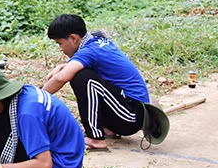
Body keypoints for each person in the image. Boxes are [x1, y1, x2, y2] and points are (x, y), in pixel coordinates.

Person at [42, 14, 149, 150]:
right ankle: (107, 129)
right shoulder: (96, 41)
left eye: (60, 43)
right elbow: (72, 66)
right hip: (128, 109)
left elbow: (60, 78)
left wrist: (35, 97)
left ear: (74, 38)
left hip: (131, 117)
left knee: (82, 78)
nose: (60, 48)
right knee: (81, 74)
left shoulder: (89, 51)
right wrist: (61, 67)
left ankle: (95, 138)